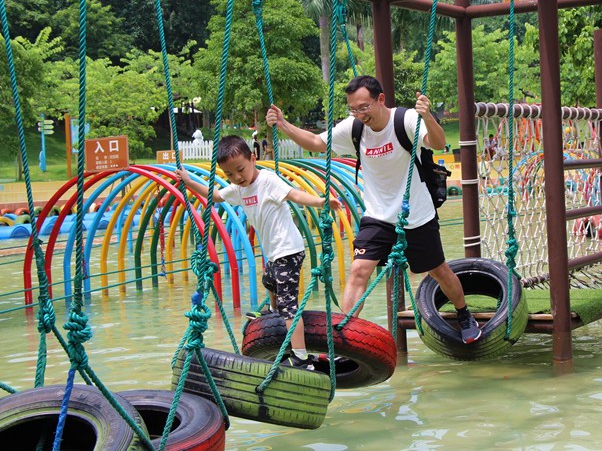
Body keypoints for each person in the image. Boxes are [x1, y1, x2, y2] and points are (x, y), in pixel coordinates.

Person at [266, 75, 482, 343]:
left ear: (381, 99)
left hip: (415, 215)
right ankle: (345, 335)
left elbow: (437, 143)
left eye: (364, 107)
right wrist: (284, 124)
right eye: (353, 109)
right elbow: (317, 143)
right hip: (378, 216)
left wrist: (428, 117)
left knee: (439, 271)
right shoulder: (354, 128)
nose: (359, 114)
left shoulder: (405, 120)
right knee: (358, 270)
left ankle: (464, 315)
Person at [175, 135, 343, 369]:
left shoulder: (268, 180)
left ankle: (302, 357)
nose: (238, 178)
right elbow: (214, 196)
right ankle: (274, 314)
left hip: (289, 250)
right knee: (268, 281)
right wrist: (188, 181)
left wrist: (321, 201)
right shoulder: (238, 189)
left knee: (289, 306)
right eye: (230, 175)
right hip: (274, 253)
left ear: (253, 159)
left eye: (241, 170)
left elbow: (294, 194)